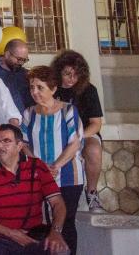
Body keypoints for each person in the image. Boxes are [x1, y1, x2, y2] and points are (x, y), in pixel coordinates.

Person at [0, 124, 70, 255]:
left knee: (60, 250)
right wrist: (11, 233)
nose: (0, 146)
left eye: (6, 141)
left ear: (19, 145)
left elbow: (58, 203)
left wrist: (56, 232)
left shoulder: (37, 166)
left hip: (34, 234)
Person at [21, 66, 84, 254]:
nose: (34, 92)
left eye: (40, 87)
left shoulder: (68, 110)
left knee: (66, 221)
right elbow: (23, 144)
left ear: (53, 88)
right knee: (45, 224)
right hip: (40, 176)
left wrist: (56, 166)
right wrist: (41, 167)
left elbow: (75, 142)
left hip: (68, 176)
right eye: (32, 87)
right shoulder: (28, 113)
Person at [51, 50, 105, 212]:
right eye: (67, 74)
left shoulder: (88, 90)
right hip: (56, 133)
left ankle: (92, 192)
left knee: (93, 149)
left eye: (76, 75)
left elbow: (96, 124)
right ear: (58, 71)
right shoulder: (50, 88)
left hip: (84, 134)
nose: (72, 79)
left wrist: (78, 137)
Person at [0, 38, 33, 114]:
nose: (21, 63)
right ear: (7, 54)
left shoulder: (25, 74)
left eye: (24, 60)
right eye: (19, 59)